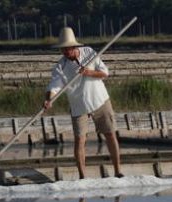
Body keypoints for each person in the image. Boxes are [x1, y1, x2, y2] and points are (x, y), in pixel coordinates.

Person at [43, 27, 123, 179]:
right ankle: (82, 177)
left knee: (110, 134)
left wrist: (89, 72)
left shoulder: (89, 53)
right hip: (78, 106)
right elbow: (54, 86)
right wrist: (49, 99)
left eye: (67, 49)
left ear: (74, 47)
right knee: (80, 140)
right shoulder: (61, 67)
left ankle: (118, 171)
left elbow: (105, 73)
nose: (65, 52)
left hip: (100, 100)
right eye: (63, 50)